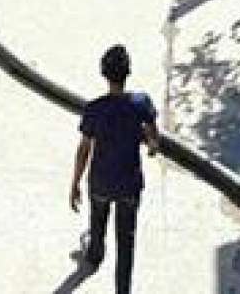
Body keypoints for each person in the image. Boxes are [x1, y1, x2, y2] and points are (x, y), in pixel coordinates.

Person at [70, 43, 159, 294]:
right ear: (127, 72)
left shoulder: (94, 109)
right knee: (126, 241)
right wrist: (150, 146)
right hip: (129, 184)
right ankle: (122, 289)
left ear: (104, 74)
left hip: (100, 181)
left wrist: (75, 182)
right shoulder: (141, 103)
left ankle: (94, 256)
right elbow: (153, 139)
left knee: (97, 222)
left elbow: (84, 149)